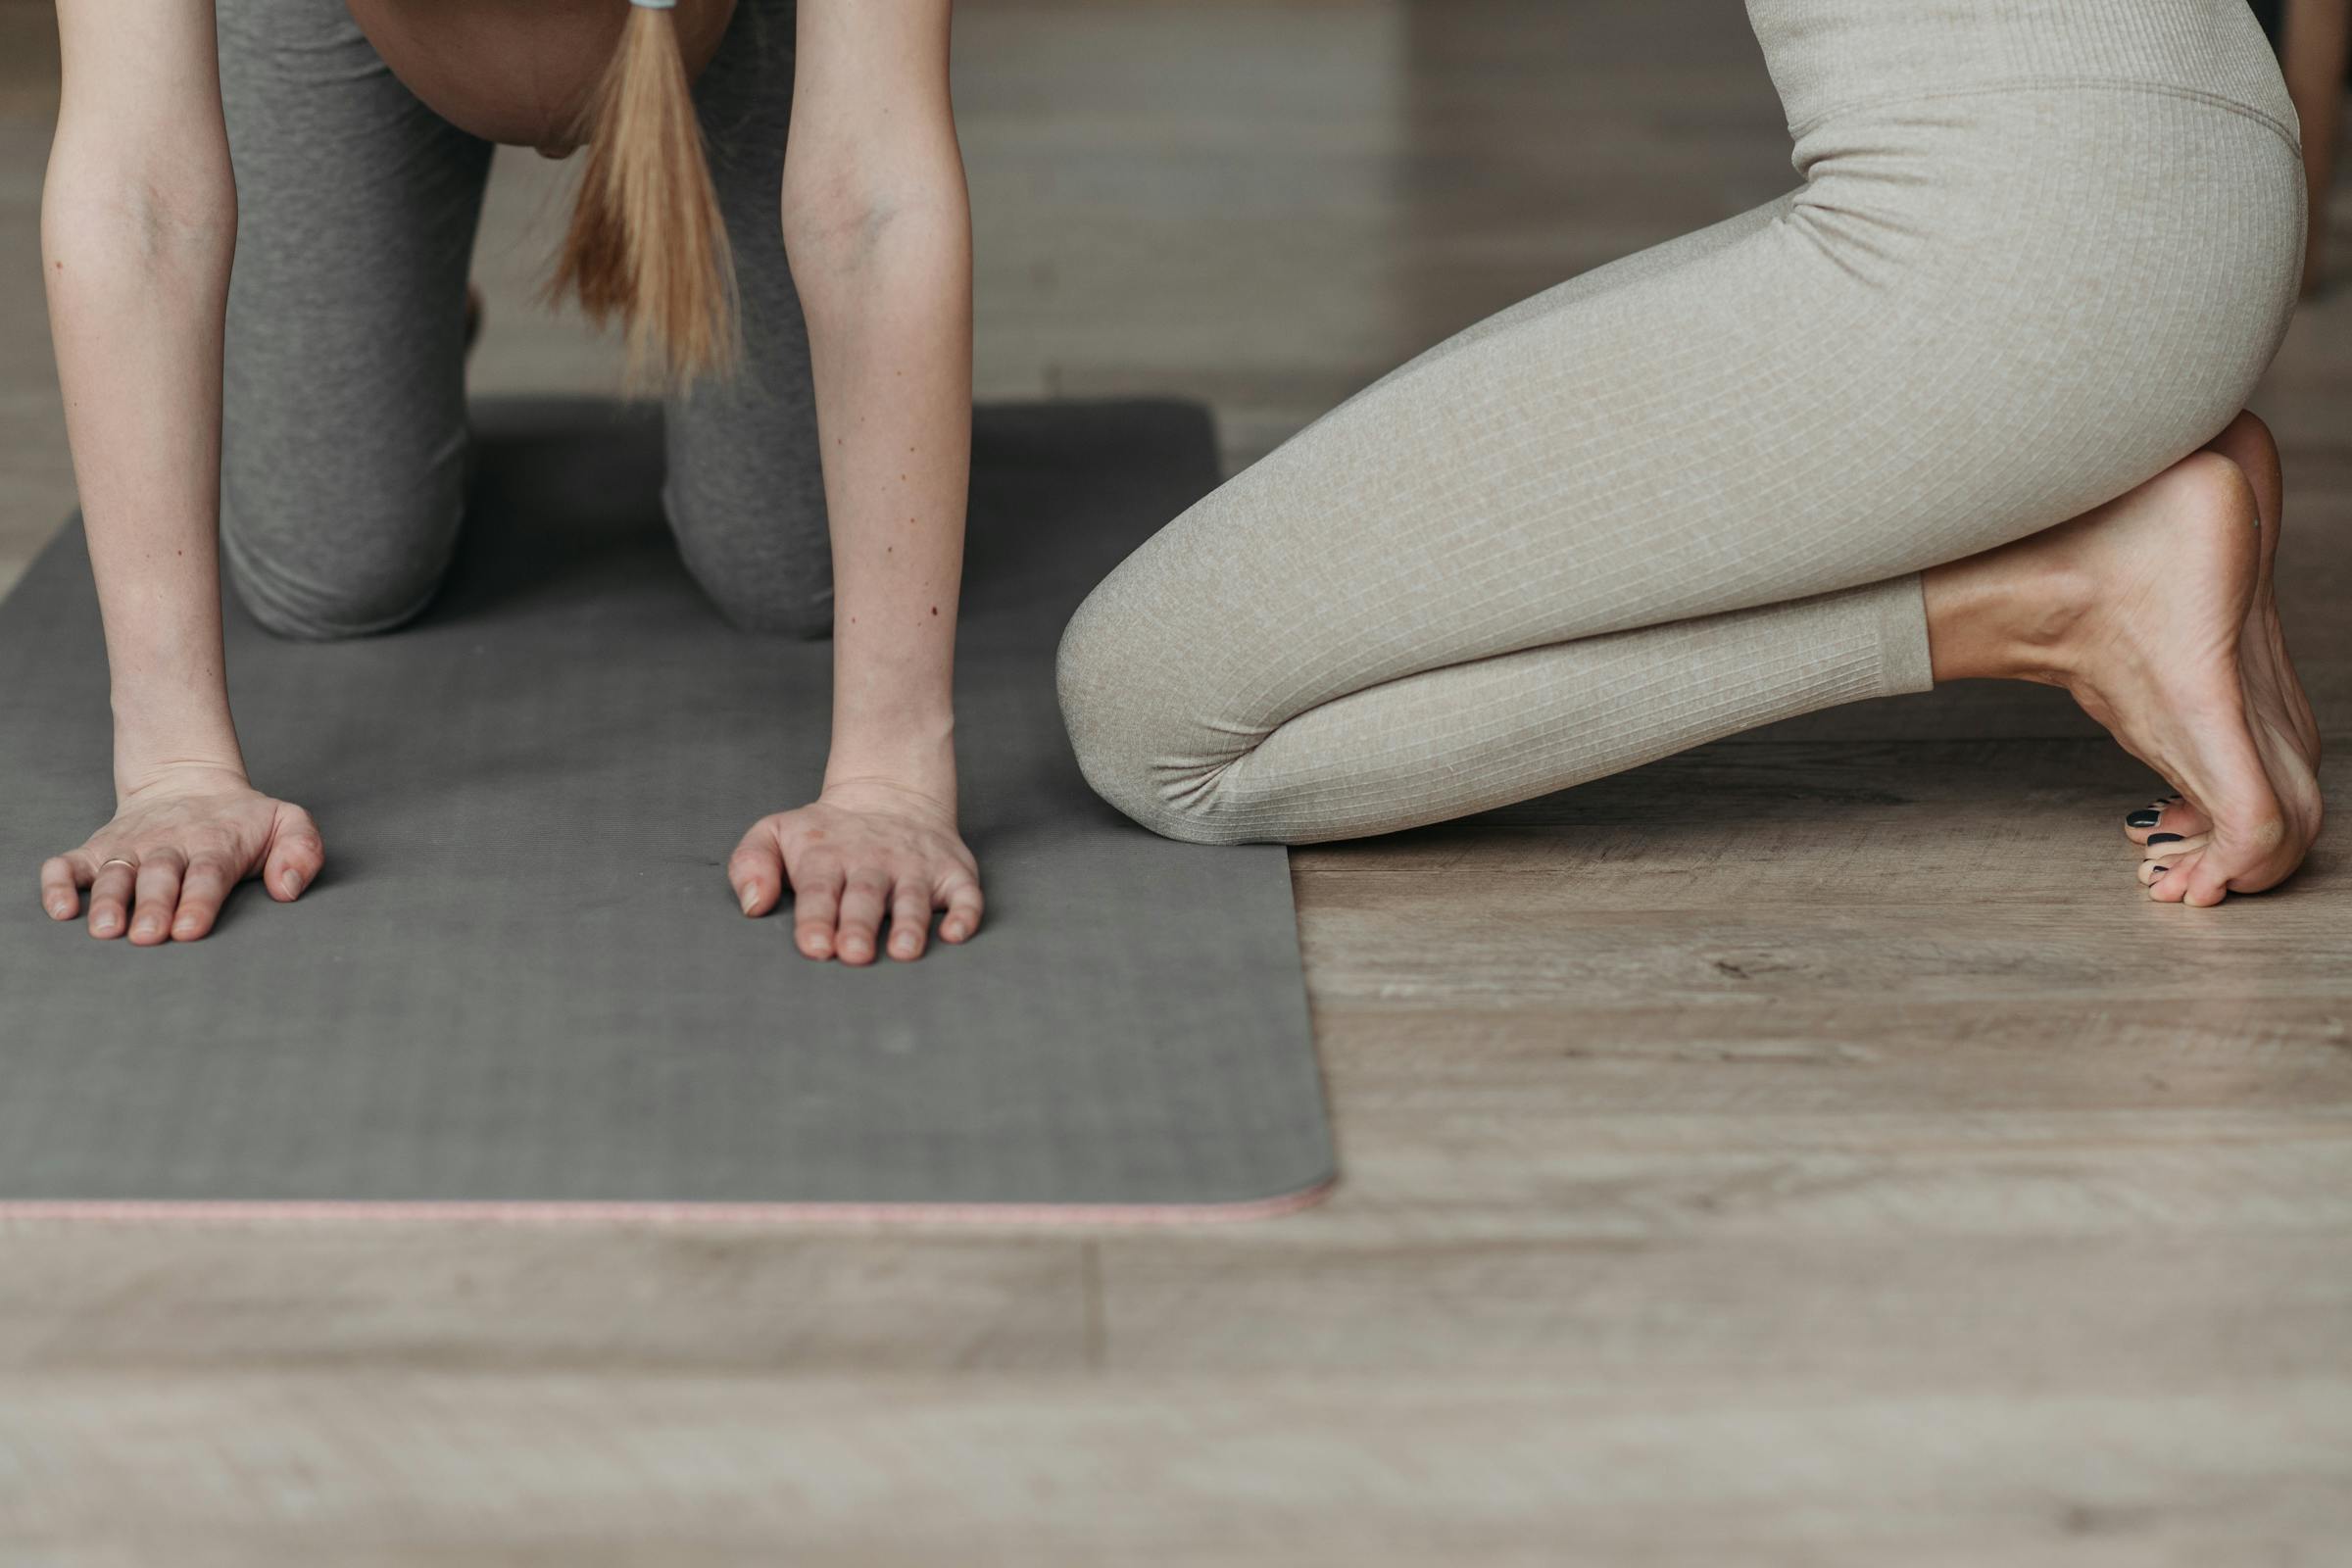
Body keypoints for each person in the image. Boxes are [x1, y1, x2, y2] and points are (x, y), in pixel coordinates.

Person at [1057, 0, 2324, 908]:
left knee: (1156, 718)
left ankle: (2053, 600)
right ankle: (2114, 511)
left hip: (2019, 250)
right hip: (2185, 159)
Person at [36, 0, 981, 963]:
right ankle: (400, 310)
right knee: (332, 566)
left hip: (728, 25)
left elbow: (873, 200)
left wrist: (890, 779)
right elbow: (138, 189)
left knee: (791, 567)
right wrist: (171, 768)